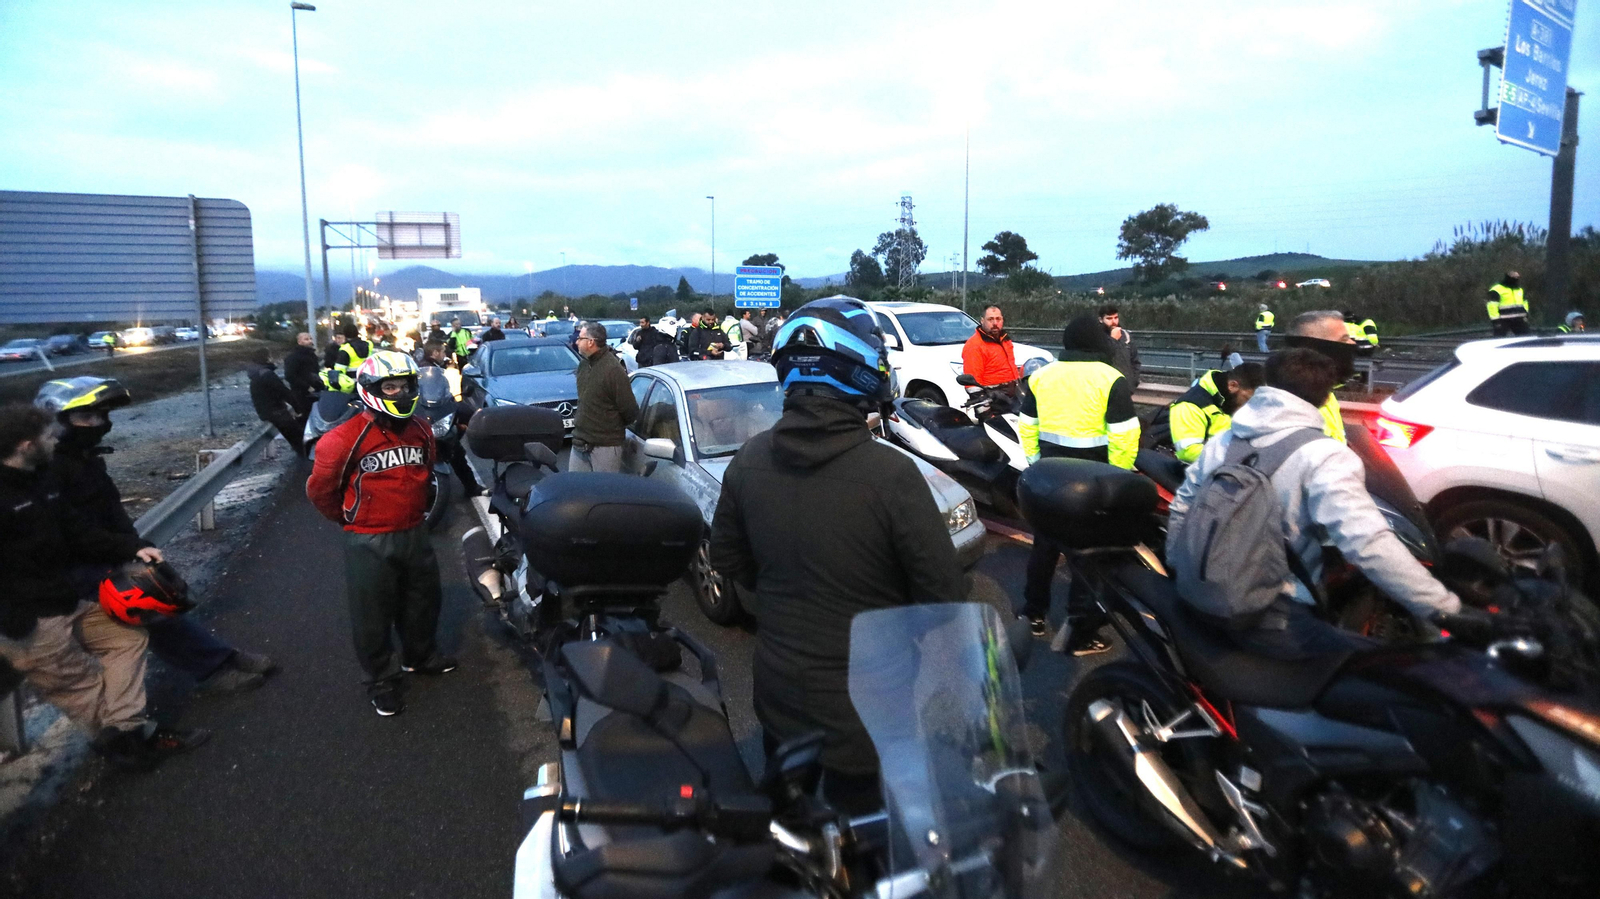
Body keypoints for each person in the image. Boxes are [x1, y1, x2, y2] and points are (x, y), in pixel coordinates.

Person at [710, 297, 963, 814]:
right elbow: (945, 594)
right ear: (861, 370)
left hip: (780, 696)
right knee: (867, 846)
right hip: (871, 711)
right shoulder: (891, 474)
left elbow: (730, 561)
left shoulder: (747, 462)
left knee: (787, 830)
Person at [1168, 349, 1461, 660]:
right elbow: (1368, 544)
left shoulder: (1224, 440)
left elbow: (1183, 504)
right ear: (1325, 399)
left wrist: (1180, 567)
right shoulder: (1324, 455)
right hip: (1274, 612)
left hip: (1197, 594)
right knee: (1372, 670)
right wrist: (1444, 609)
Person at [34, 378, 278, 696]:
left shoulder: (83, 458)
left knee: (163, 599)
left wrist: (132, 546)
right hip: (76, 568)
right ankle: (211, 670)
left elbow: (107, 513)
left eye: (103, 415)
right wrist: (129, 547)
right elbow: (73, 532)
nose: (100, 423)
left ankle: (220, 657)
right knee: (150, 608)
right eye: (89, 416)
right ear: (58, 420)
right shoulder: (50, 470)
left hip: (105, 551)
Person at [0, 403, 209, 770]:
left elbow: (77, 531)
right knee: (79, 684)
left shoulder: (41, 480)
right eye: (48, 436)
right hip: (27, 622)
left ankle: (124, 735)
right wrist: (13, 623)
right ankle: (135, 744)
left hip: (67, 600)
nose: (56, 440)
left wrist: (132, 546)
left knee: (127, 636)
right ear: (25, 445)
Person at [306, 351, 455, 717]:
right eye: (390, 386)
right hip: (370, 537)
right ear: (372, 389)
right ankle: (380, 680)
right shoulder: (343, 438)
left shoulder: (420, 429)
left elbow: (428, 470)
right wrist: (352, 521)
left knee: (423, 599)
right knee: (372, 614)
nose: (400, 393)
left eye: (405, 385)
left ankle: (419, 657)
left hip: (415, 530)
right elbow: (321, 491)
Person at [1017, 315, 1140, 645]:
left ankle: (1033, 614)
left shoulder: (1042, 377)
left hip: (1050, 479)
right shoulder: (1111, 379)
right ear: (1098, 344)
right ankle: (1079, 629)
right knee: (1086, 557)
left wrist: (1035, 464)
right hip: (1094, 484)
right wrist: (1119, 482)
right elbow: (1125, 437)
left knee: (1044, 548)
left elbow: (1026, 424)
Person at [1147, 362, 1265, 463]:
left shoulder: (1227, 400)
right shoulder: (1191, 405)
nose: (1251, 406)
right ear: (1232, 386)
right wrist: (1240, 457)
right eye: (1249, 399)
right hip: (1185, 473)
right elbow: (1188, 452)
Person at [570, 322, 639, 473]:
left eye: (579, 338)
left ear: (590, 342)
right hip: (579, 442)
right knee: (576, 493)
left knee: (603, 494)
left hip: (605, 447)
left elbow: (630, 410)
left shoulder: (613, 370)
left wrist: (609, 426)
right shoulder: (583, 366)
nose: (576, 342)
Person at [418, 341, 483, 497]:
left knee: (455, 442)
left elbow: (443, 392)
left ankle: (472, 486)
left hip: (436, 411)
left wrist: (450, 400)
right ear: (434, 353)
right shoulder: (422, 369)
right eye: (441, 352)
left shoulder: (435, 369)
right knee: (456, 450)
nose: (444, 354)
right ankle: (471, 486)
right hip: (425, 413)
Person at [1282, 310, 1356, 443]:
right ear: (1315, 348)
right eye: (1344, 339)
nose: (1352, 343)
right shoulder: (1292, 405)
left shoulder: (1324, 393)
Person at [247, 349, 307, 455]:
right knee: (299, 439)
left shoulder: (255, 374)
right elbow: (284, 392)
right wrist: (298, 408)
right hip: (277, 412)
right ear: (266, 358)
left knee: (296, 439)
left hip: (265, 411)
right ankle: (309, 463)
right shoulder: (267, 374)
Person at [961, 304, 1021, 387]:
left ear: (1002, 320)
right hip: (992, 395)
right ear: (982, 321)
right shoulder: (974, 345)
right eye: (990, 319)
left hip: (1012, 393)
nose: (995, 323)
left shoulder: (1005, 340)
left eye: (998, 319)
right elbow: (973, 384)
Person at [1098, 304, 1141, 387]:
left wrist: (1133, 381)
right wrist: (1113, 340)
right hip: (1105, 387)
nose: (1114, 321)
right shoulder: (1097, 337)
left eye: (1116, 317)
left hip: (1125, 387)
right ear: (1101, 320)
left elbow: (1135, 361)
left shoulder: (1126, 336)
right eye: (1109, 318)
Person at [324, 322, 372, 393]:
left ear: (345, 335)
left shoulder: (345, 349)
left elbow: (339, 371)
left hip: (351, 386)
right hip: (367, 382)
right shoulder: (369, 345)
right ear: (357, 333)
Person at [283, 332, 322, 413]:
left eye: (310, 339)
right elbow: (290, 376)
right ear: (299, 342)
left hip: (315, 390)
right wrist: (307, 387)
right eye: (306, 339)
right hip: (302, 393)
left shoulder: (312, 355)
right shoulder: (293, 357)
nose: (310, 341)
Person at [1486, 270, 1530, 337]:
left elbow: (1525, 303)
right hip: (1503, 320)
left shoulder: (1520, 289)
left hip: (1519, 319)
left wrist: (1525, 314)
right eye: (1514, 277)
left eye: (1517, 277)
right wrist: (1496, 320)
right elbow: (1492, 306)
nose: (1516, 279)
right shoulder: (1497, 289)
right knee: (1499, 340)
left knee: (1526, 339)